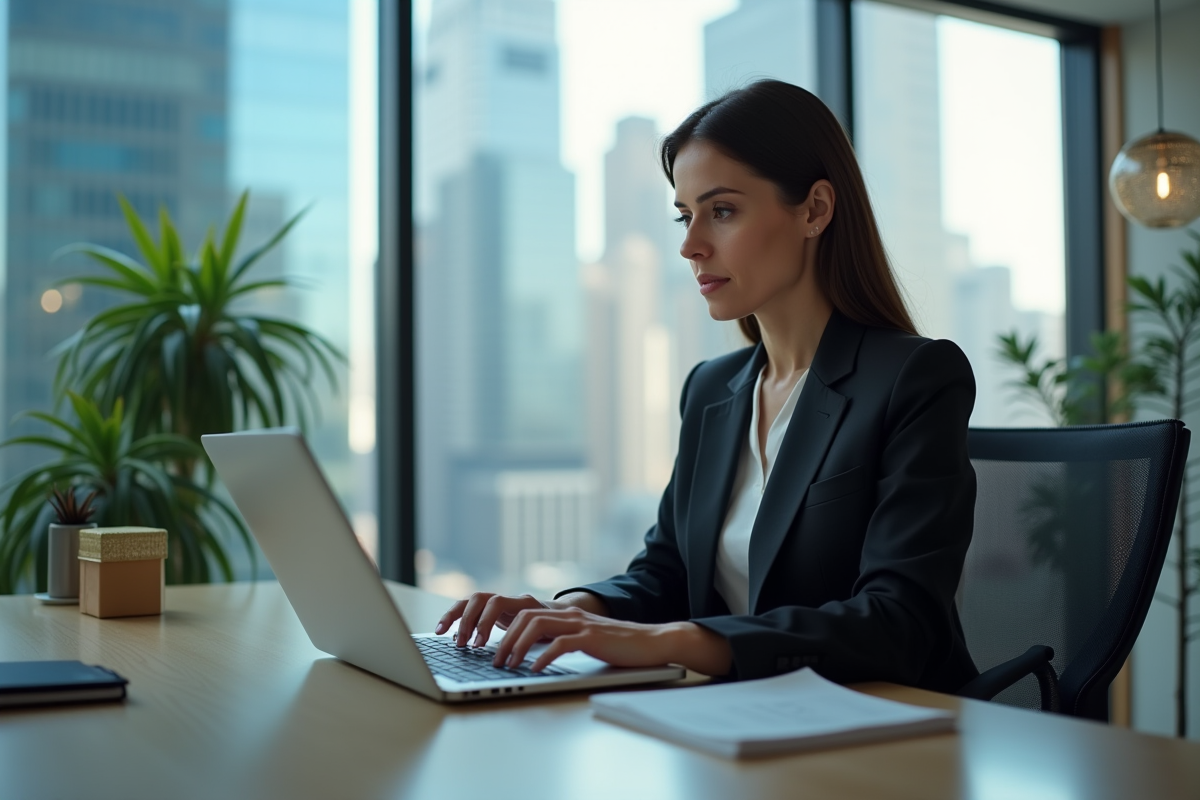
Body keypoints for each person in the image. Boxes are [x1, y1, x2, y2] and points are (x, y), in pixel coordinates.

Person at [437, 79, 979, 692]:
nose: (691, 246)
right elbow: (666, 569)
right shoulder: (712, 389)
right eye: (685, 215)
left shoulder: (914, 378)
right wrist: (572, 613)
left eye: (721, 211)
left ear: (815, 211)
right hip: (743, 715)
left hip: (891, 728)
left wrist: (669, 641)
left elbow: (900, 623)